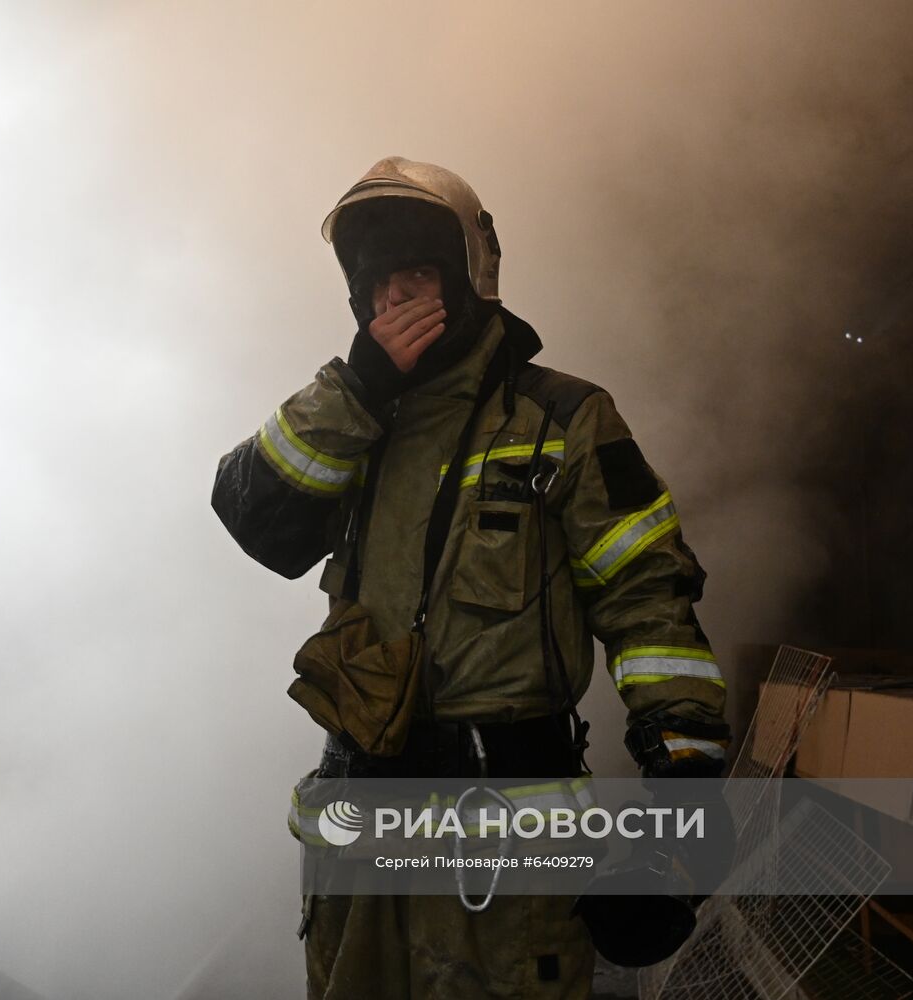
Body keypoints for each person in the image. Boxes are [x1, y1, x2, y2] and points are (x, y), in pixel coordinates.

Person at [211, 157, 730, 999]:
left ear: (468, 278)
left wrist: (680, 820)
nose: (393, 301)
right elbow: (249, 513)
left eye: (416, 275)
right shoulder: (348, 419)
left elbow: (651, 610)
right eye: (377, 284)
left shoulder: (563, 419)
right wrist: (357, 389)